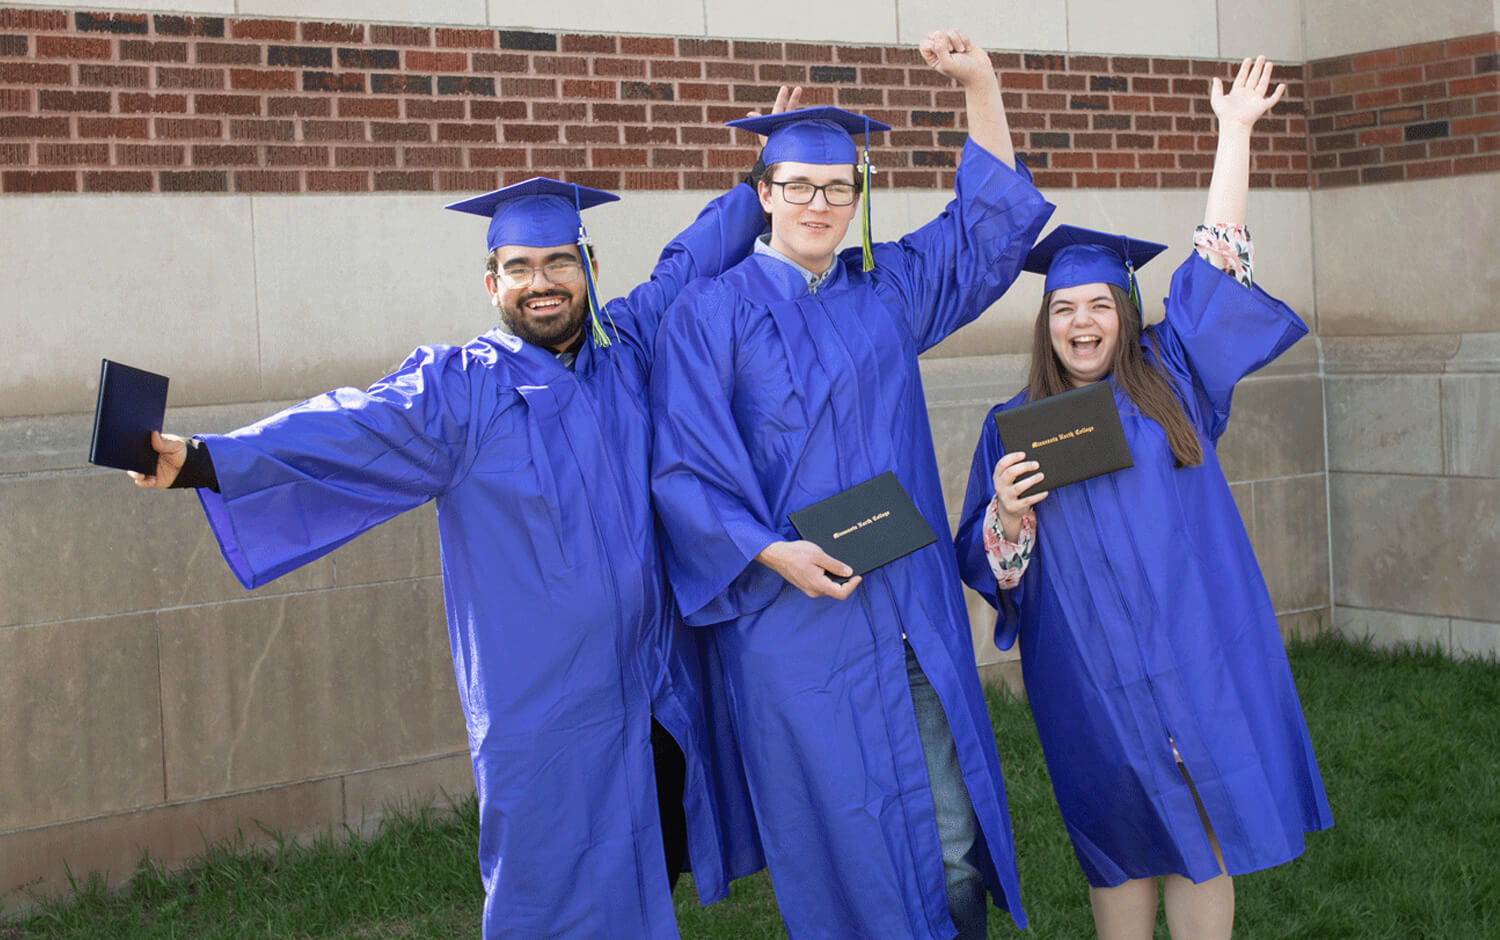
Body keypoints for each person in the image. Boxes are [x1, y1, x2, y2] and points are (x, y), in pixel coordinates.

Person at [125, 147, 776, 936]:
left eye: (560, 262)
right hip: (545, 711)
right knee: (551, 898)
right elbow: (346, 427)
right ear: (491, 282)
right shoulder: (461, 391)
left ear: (589, 266)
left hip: (651, 687)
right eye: (521, 266)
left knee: (646, 871)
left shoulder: (627, 351)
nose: (543, 282)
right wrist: (203, 459)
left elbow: (688, 259)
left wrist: (755, 187)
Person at [649, 29, 1054, 940]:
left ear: (858, 194)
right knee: (843, 850)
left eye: (838, 186)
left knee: (950, 838)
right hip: (796, 628)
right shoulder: (708, 315)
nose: (819, 204)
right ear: (762, 196)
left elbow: (983, 235)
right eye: (796, 186)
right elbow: (683, 467)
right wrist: (769, 552)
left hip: (909, 609)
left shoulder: (885, 289)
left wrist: (981, 86)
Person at [954, 57, 1333, 940]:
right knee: (1120, 839)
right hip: (1087, 670)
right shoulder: (1014, 426)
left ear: (1125, 312)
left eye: (1099, 305)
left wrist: (1233, 134)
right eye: (1062, 310)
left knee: (1203, 832)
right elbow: (988, 566)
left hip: (1194, 652)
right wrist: (1005, 516)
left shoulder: (1175, 377)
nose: (1082, 323)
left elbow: (1217, 266)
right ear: (1045, 324)